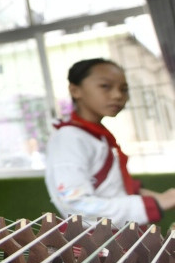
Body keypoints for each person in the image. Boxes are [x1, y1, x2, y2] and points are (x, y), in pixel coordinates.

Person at [45, 58, 175, 224]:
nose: (117, 95)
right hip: (97, 244)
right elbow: (76, 205)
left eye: (124, 89)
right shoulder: (69, 138)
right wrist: (156, 203)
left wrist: (165, 198)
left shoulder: (96, 135)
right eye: (105, 86)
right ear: (75, 90)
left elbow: (111, 188)